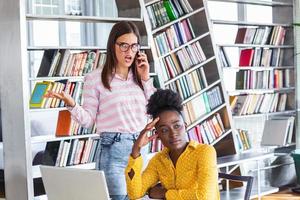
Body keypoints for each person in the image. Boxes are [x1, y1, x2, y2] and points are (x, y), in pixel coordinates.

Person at [45, 21, 156, 200]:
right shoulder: (95, 78)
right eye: (124, 45)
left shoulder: (140, 78)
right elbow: (88, 121)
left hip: (141, 152)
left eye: (134, 46)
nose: (129, 52)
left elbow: (154, 111)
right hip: (114, 153)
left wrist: (146, 79)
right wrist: (72, 104)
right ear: (113, 46)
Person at [125, 89, 220, 200]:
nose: (173, 134)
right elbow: (135, 193)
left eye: (176, 126)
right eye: (164, 130)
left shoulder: (205, 152)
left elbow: (205, 197)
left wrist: (165, 194)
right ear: (158, 135)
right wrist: (136, 150)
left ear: (185, 126)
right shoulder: (158, 161)